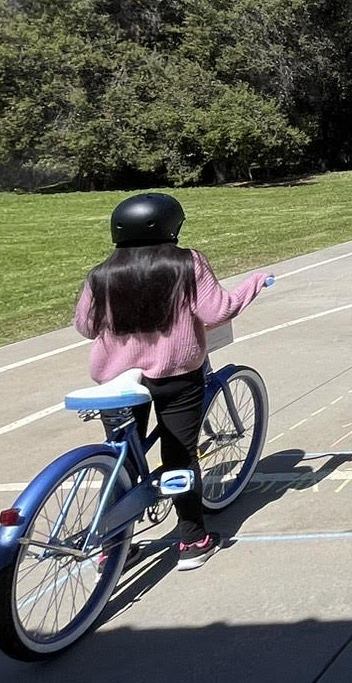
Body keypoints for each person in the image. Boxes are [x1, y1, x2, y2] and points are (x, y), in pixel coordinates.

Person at [73, 193, 272, 570]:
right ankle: (193, 539)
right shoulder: (187, 262)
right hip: (175, 376)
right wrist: (254, 284)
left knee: (122, 460)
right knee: (179, 455)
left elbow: (86, 326)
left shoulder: (102, 274)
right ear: (172, 227)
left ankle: (114, 546)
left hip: (117, 382)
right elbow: (218, 311)